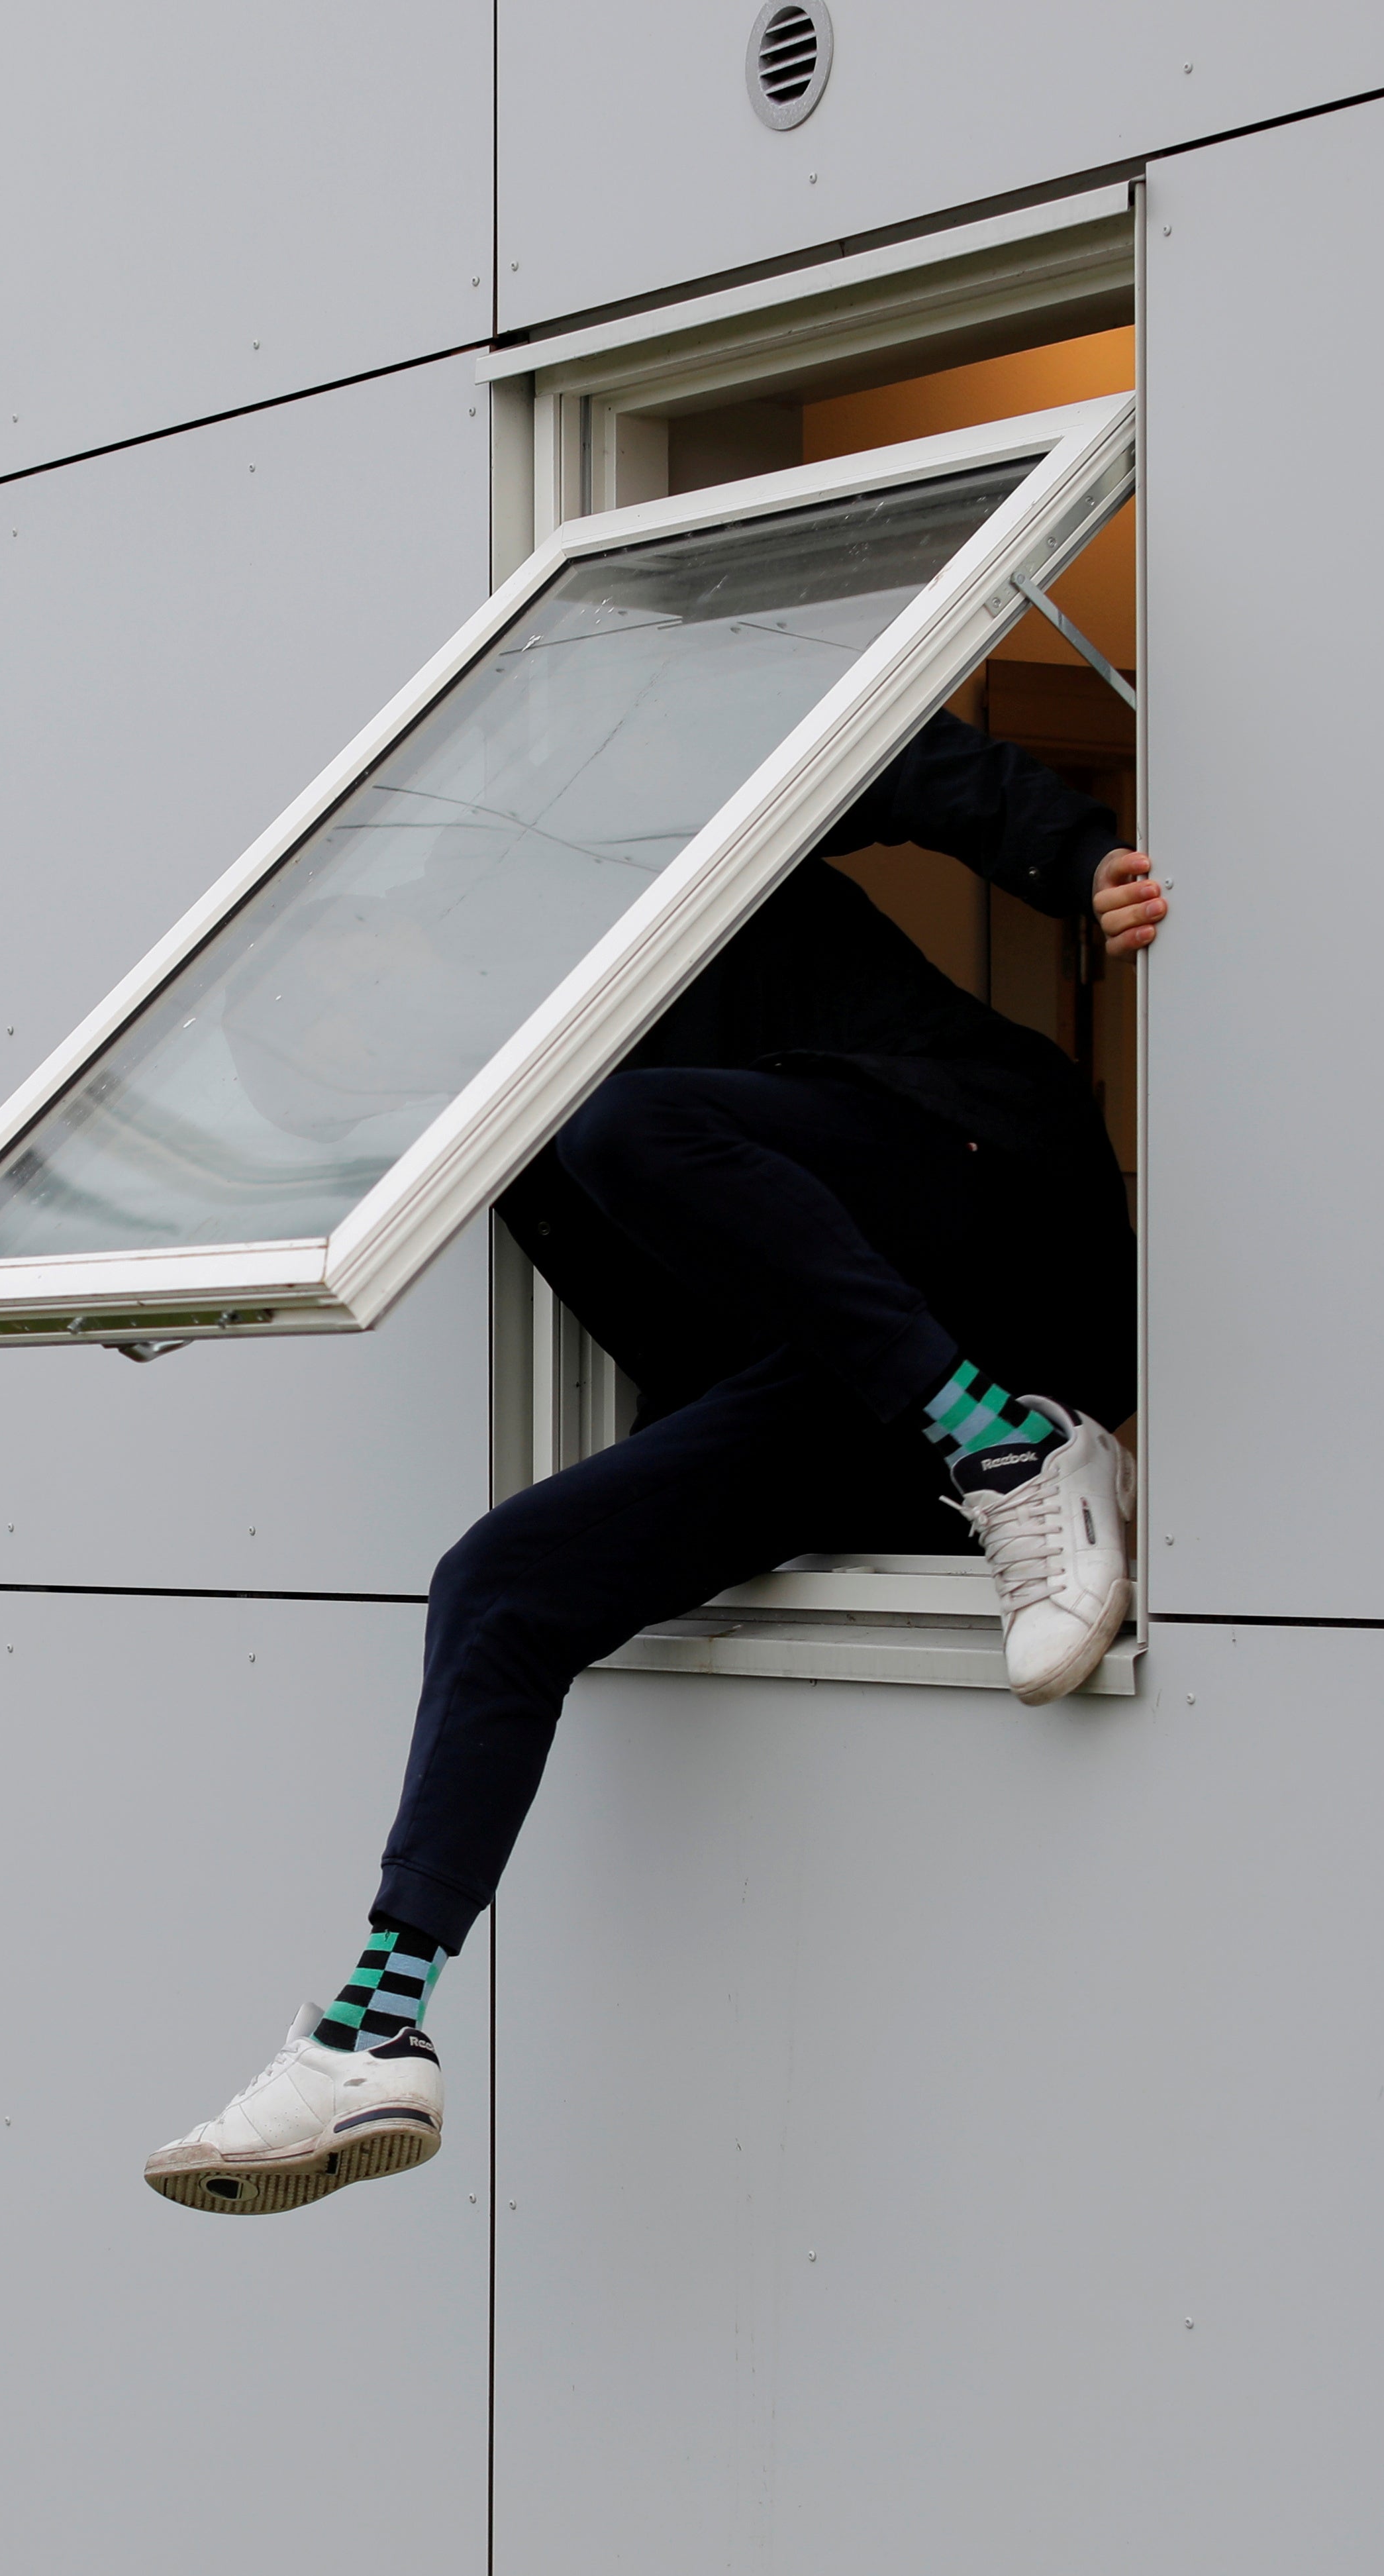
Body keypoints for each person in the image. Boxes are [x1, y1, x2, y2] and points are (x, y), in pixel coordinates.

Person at [143, 704, 1169, 2216]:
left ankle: (1010, 1454)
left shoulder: (602, 873)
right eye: (342, 1077)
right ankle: (374, 2022)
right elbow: (700, 1349)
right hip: (879, 1368)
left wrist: (1070, 855)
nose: (372, 1065)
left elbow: (869, 743)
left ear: (378, 935)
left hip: (997, 1199)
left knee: (634, 1126)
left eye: (346, 1026)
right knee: (496, 1579)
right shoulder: (514, 1146)